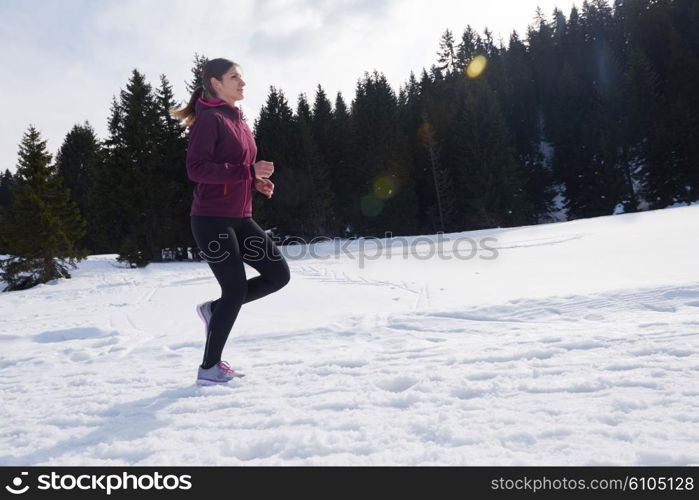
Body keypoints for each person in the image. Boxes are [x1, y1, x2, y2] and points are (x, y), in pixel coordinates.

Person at [170, 58, 291, 385]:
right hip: (211, 220)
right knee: (235, 288)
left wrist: (254, 182)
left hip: (241, 218)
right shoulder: (208, 121)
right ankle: (209, 368)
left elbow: (237, 166)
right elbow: (195, 169)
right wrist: (247, 172)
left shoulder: (238, 120)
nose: (242, 82)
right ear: (215, 83)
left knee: (278, 275)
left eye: (241, 76)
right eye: (234, 77)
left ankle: (214, 310)